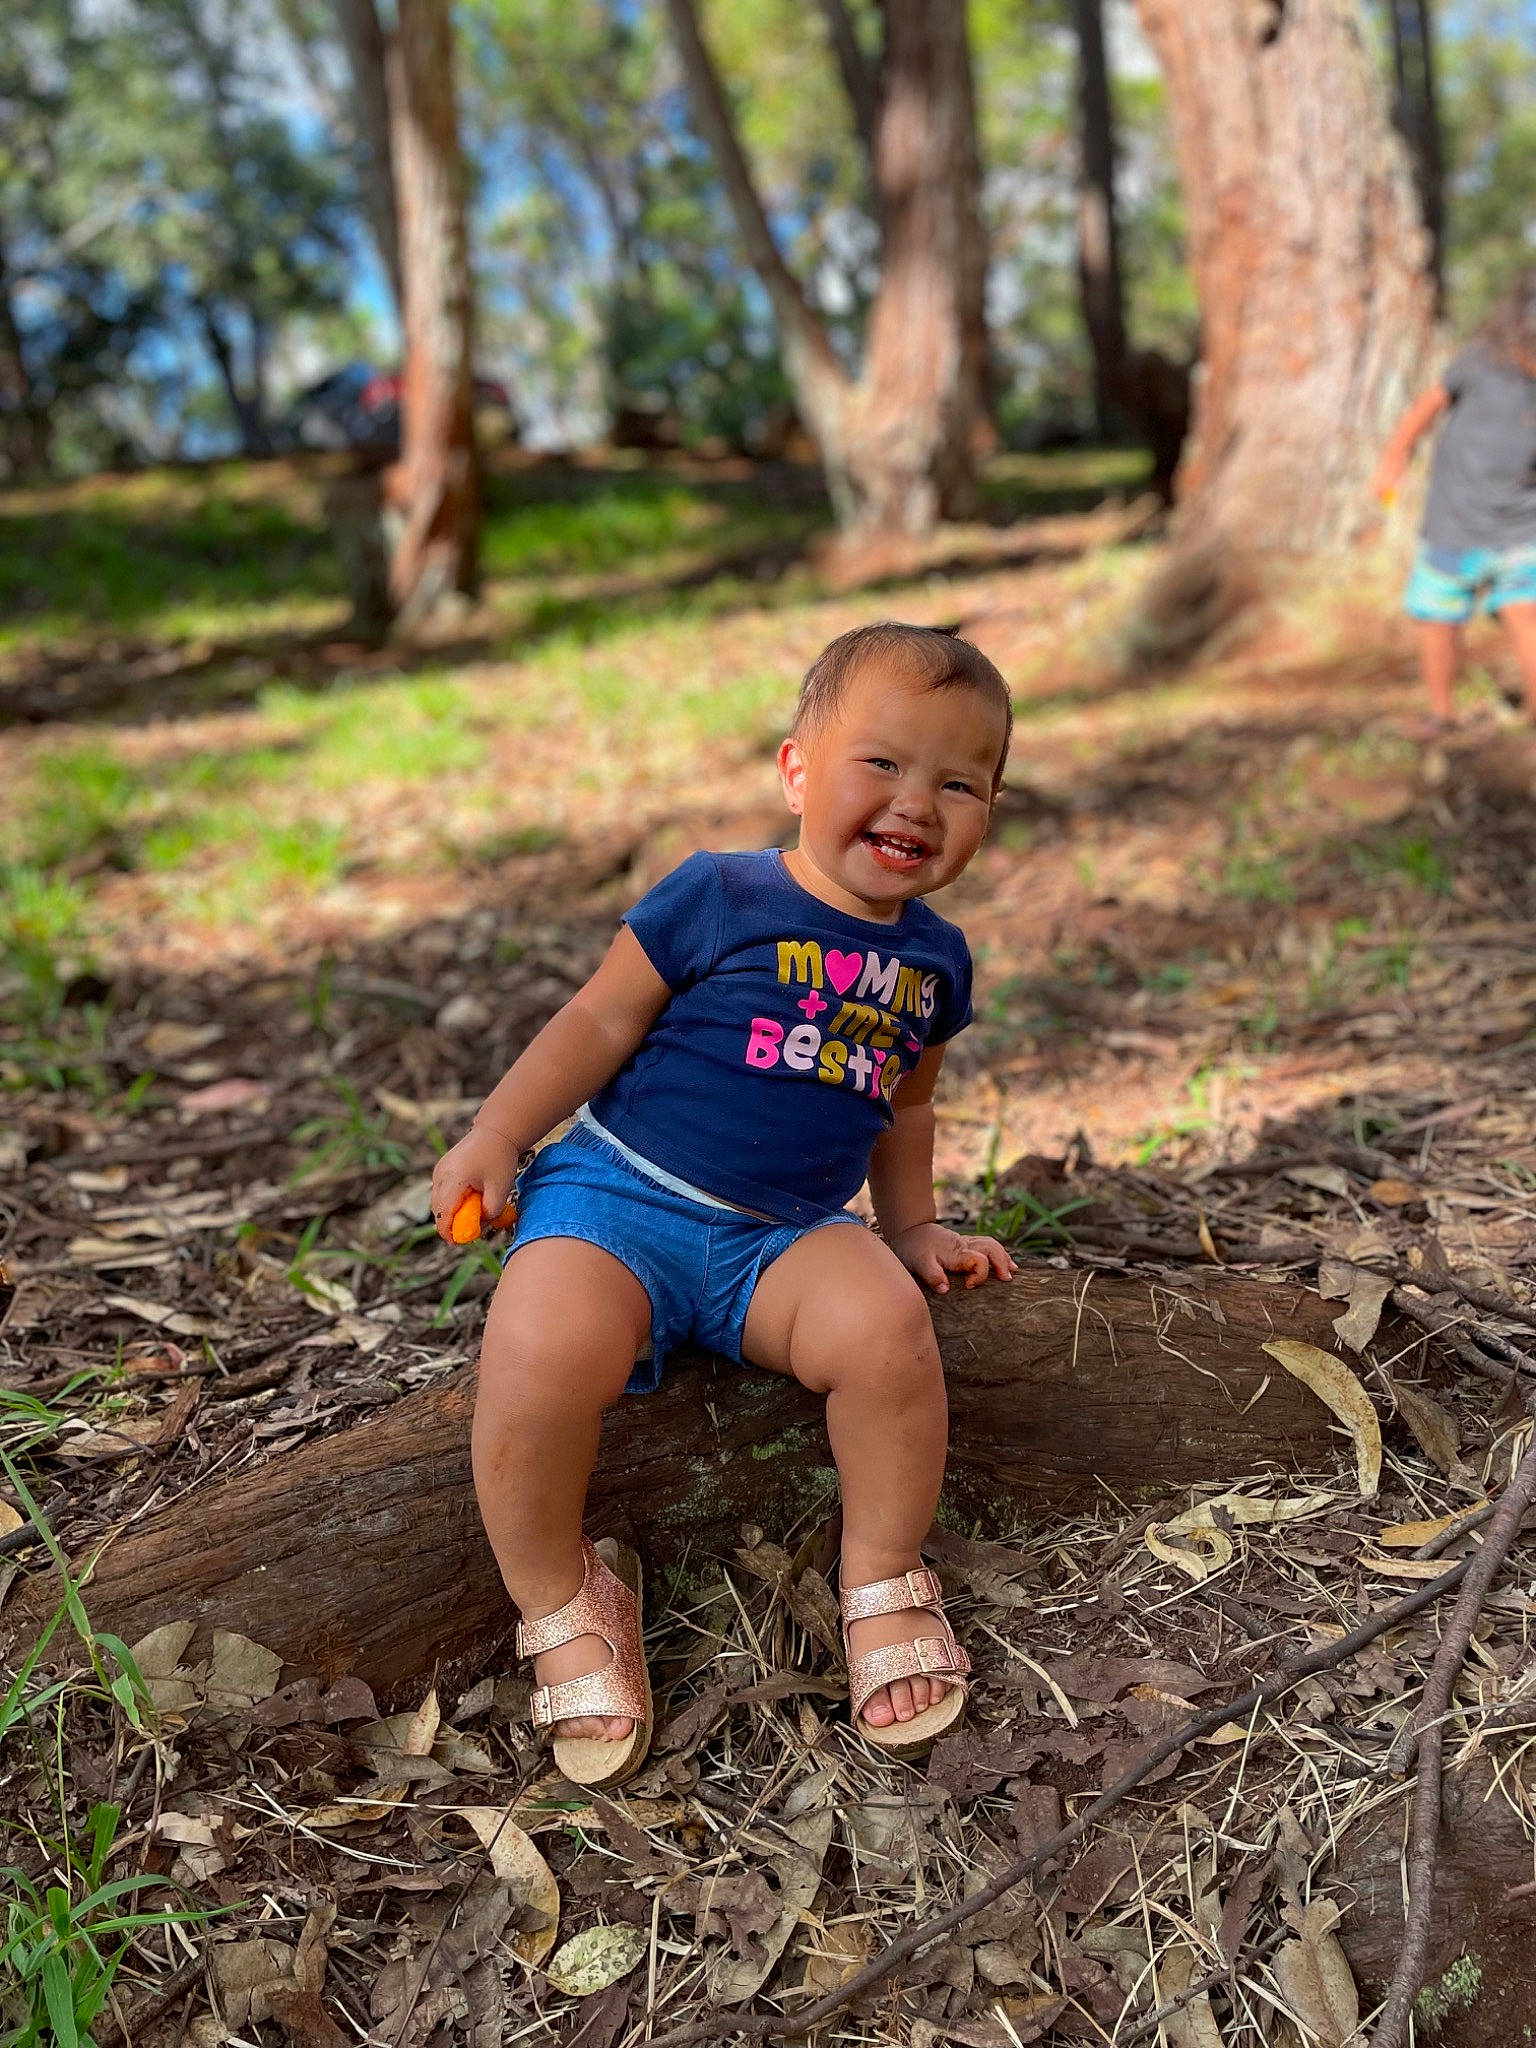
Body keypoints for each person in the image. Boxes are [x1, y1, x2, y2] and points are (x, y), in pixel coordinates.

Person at [431, 622, 1017, 1785]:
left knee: (890, 1332)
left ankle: (880, 1571)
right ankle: (559, 1591)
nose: (918, 803)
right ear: (798, 770)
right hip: (619, 1198)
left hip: (786, 1237)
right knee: (537, 1347)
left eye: (960, 782)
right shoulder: (720, 893)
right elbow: (599, 1019)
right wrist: (501, 1132)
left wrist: (909, 1228)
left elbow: (901, 1109)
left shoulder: (934, 963)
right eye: (884, 764)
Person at [1372, 270, 1536, 734]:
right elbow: (1427, 405)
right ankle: (1441, 713)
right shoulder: (1482, 360)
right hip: (1455, 524)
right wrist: (1394, 457)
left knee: (1526, 612)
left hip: (1523, 527)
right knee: (1438, 617)